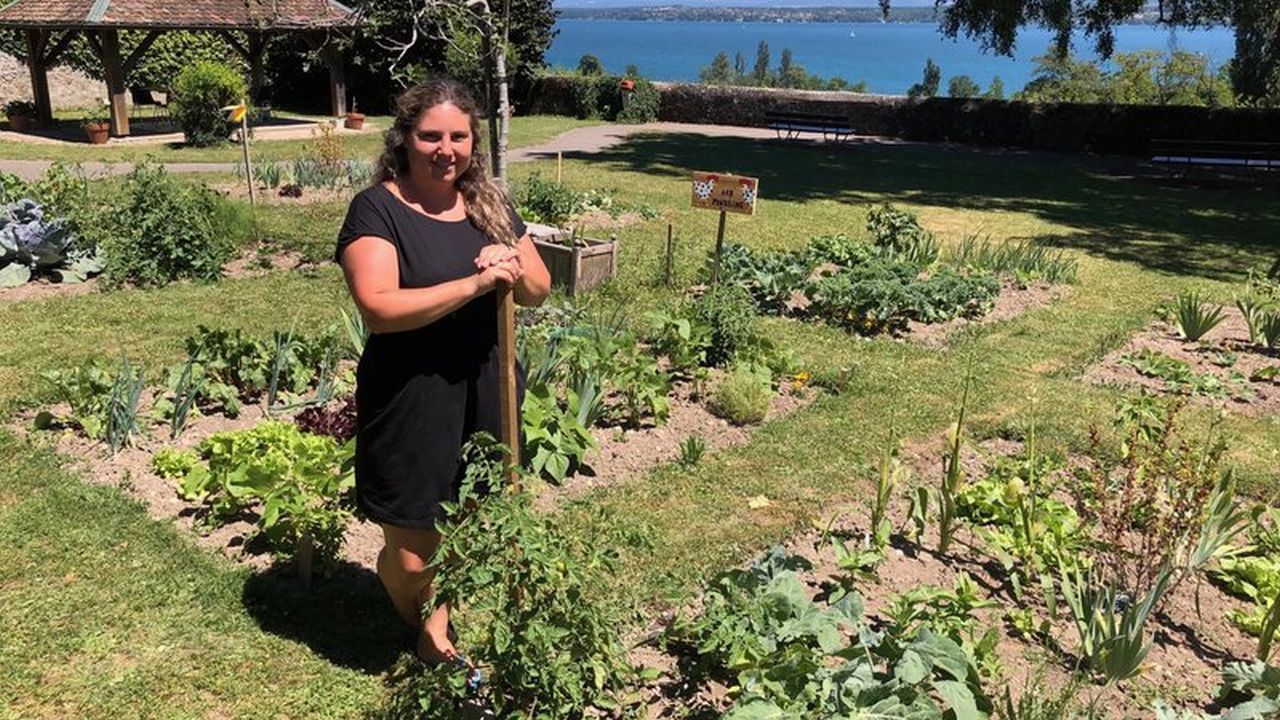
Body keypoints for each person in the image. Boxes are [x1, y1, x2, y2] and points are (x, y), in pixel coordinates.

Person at [334, 77, 551, 664]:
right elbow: (380, 309)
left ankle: (435, 628)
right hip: (412, 393)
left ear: (473, 142)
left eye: (459, 137)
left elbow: (537, 289)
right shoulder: (378, 209)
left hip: (485, 382)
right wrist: (476, 283)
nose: (445, 149)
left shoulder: (492, 204)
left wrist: (509, 264)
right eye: (431, 136)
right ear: (405, 138)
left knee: (466, 517)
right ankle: (409, 598)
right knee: (410, 550)